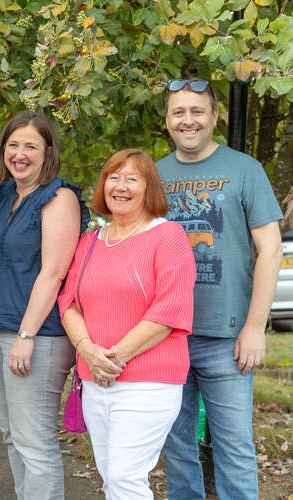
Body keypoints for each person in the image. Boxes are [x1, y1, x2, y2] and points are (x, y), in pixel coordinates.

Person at [158, 79, 283, 500]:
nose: (188, 120)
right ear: (168, 120)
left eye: (197, 111)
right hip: (167, 336)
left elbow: (270, 251)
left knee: (235, 448)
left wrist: (254, 327)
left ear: (214, 116)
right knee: (176, 447)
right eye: (179, 112)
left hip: (227, 338)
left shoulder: (246, 170)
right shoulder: (154, 175)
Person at [58, 148, 197, 499]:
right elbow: (69, 302)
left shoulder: (168, 237)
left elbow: (169, 309)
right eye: (113, 177)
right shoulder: (90, 242)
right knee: (111, 478)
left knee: (124, 477)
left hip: (148, 382)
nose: (120, 186)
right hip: (95, 380)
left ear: (149, 188)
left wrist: (113, 358)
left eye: (131, 179)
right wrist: (88, 351)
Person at [0, 110, 89, 500]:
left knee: (35, 444)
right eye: (13, 144)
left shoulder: (59, 198)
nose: (20, 153)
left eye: (30, 146)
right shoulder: (7, 192)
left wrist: (26, 334)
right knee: (13, 436)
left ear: (48, 151)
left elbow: (53, 273)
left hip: (37, 336)